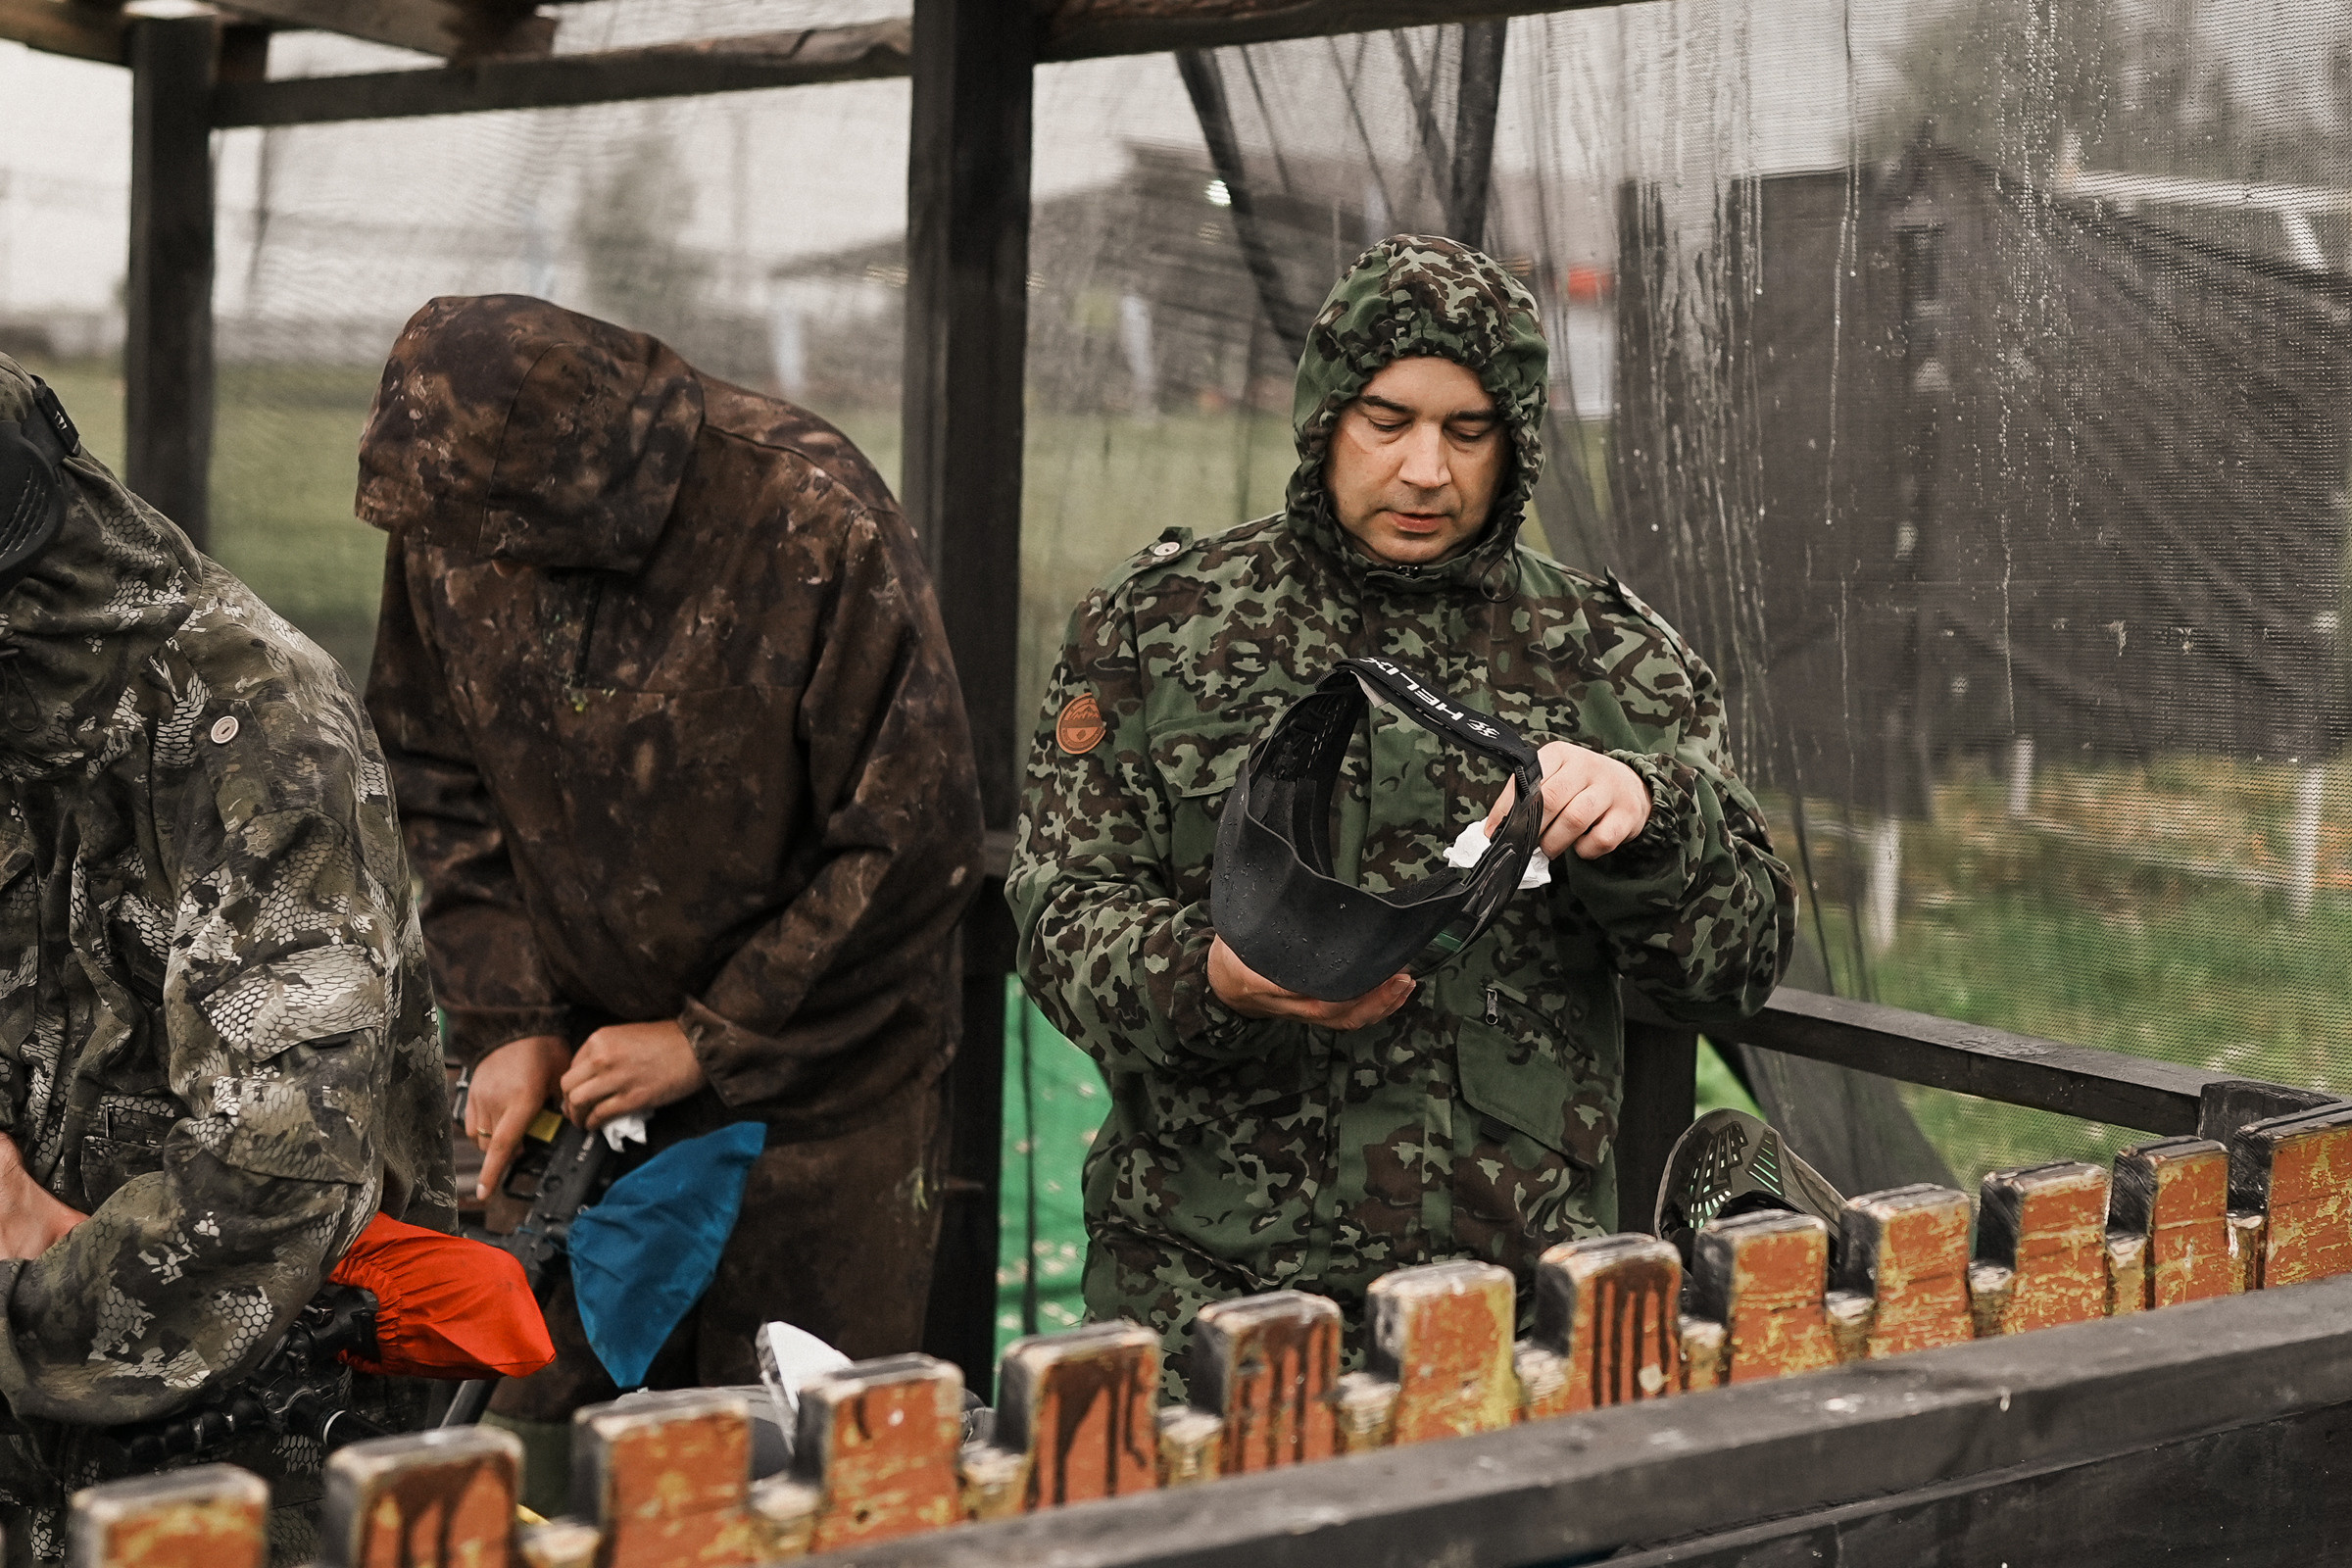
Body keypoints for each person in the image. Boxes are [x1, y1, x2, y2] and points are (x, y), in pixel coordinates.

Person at [1006, 237, 1796, 1383]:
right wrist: (1211, 975)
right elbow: (1059, 915)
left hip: (1508, 1314)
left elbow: (1739, 965)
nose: (1427, 469)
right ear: (1326, 414)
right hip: (1205, 1299)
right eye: (1388, 421)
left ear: (1516, 442)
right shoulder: (1159, 628)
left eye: (1468, 431)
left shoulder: (1613, 660)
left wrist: (1649, 812)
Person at [356, 296, 983, 1494]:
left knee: (802, 1473)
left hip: (821, 1096)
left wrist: (708, 1037)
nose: (484, 564)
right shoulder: (459, 508)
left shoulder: (808, 516)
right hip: (580, 1085)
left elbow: (911, 842)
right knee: (537, 1466)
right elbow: (431, 771)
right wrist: (508, 1019)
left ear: (585, 497)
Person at [0, 357, 455, 1558]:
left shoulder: (261, 728)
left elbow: (277, 1173)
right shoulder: (25, 705)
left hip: (243, 1451)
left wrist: (23, 1306)